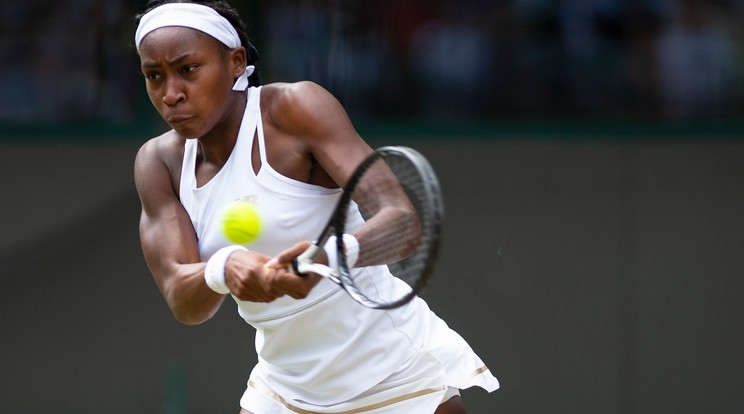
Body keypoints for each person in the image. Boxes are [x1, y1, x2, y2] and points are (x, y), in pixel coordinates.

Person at [132, 1, 499, 412]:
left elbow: (402, 222)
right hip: (284, 391)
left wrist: (321, 258)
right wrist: (225, 267)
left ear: (236, 62)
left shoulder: (294, 108)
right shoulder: (159, 163)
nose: (171, 94)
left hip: (395, 374)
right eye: (154, 76)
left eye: (188, 69)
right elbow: (184, 302)